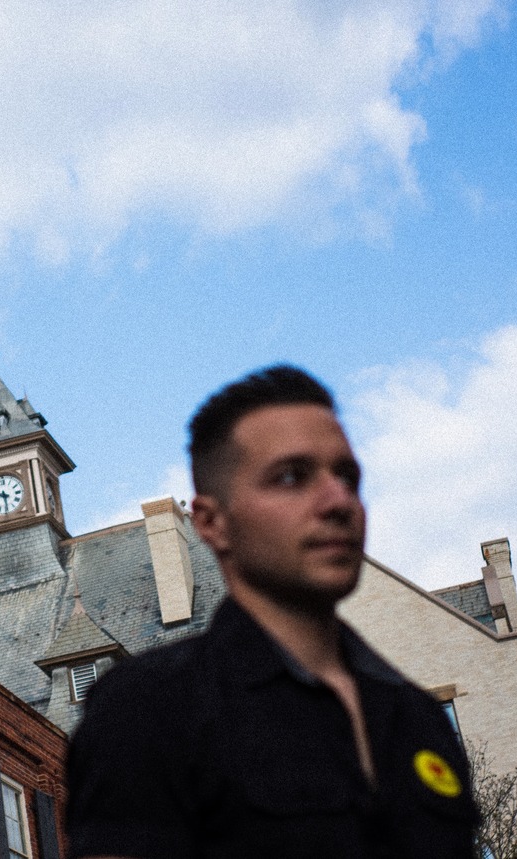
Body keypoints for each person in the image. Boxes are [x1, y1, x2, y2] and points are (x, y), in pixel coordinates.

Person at [65, 365, 478, 858]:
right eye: (290, 477)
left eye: (347, 476)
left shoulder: (418, 716)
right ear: (211, 522)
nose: (338, 501)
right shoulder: (149, 708)